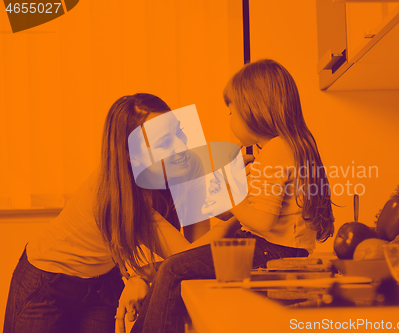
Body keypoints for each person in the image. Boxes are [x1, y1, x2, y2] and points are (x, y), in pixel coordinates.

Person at [3, 93, 237, 333]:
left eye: (178, 131)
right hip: (48, 282)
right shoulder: (113, 194)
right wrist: (240, 217)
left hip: (102, 283)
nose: (180, 146)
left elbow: (196, 257)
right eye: (164, 142)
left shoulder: (181, 171)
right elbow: (187, 257)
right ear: (132, 154)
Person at [130, 59, 335, 333]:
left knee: (172, 269)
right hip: (279, 249)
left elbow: (260, 222)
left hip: (272, 252)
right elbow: (237, 213)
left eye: (231, 112)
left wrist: (229, 190)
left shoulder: (276, 150)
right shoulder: (287, 147)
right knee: (169, 268)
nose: (230, 120)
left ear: (253, 110)